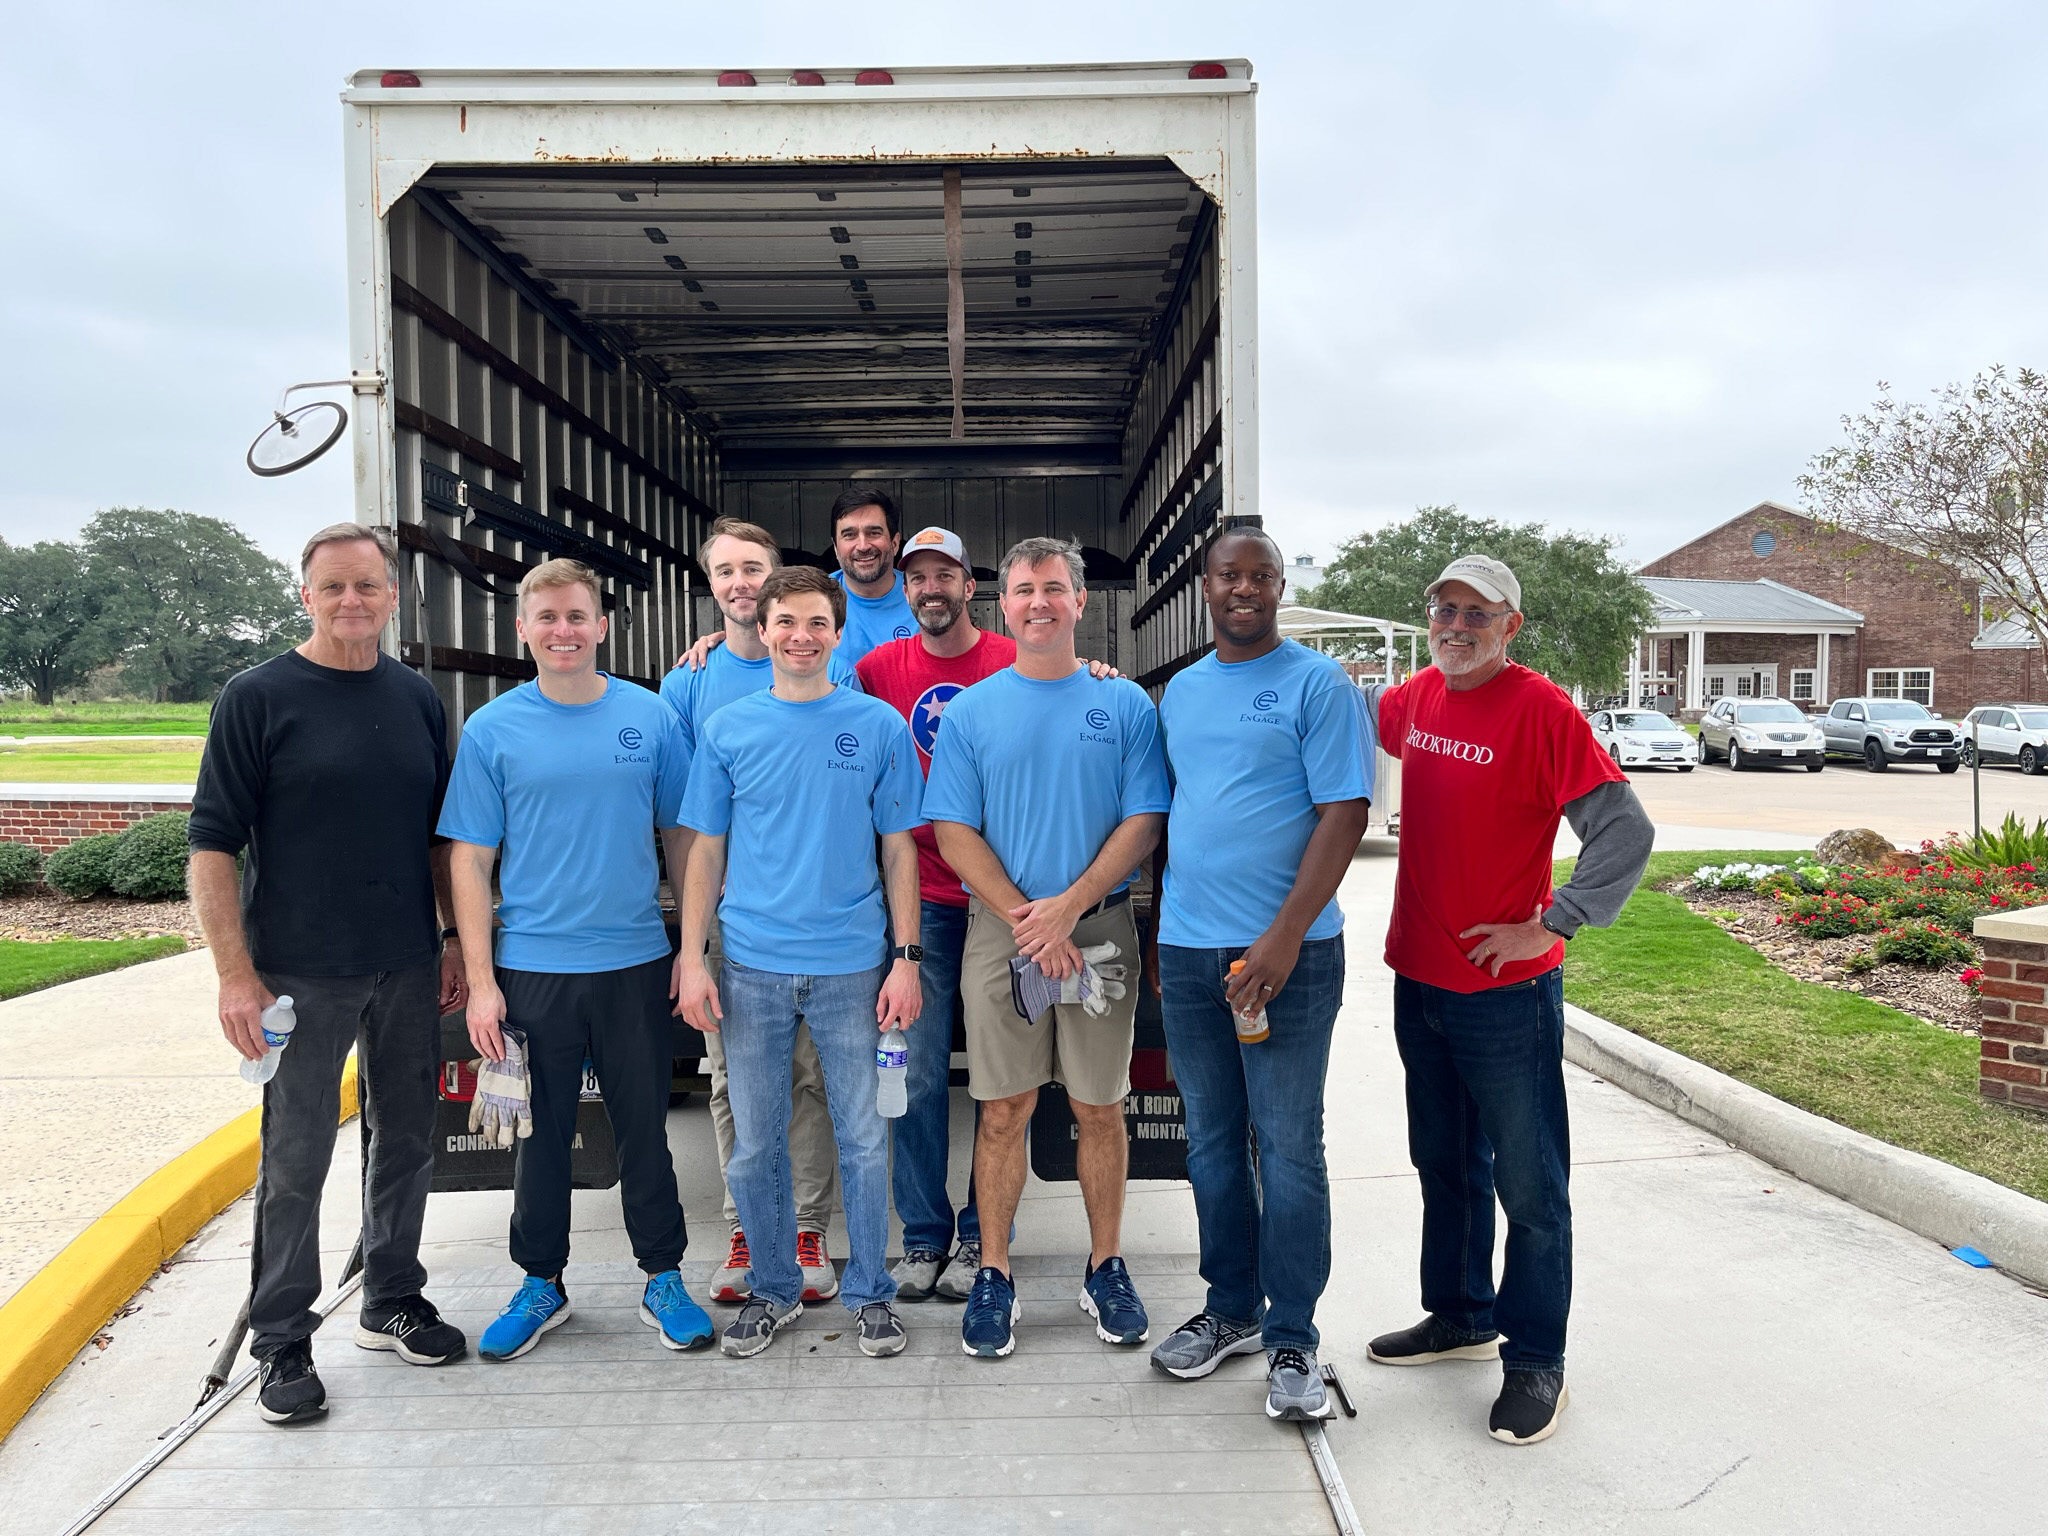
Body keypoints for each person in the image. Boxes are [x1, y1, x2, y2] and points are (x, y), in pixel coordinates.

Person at [1362, 554, 1652, 1447]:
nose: (1455, 625)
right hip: (1422, 980)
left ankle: (1535, 1360)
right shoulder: (1413, 701)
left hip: (1505, 996)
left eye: (1475, 613)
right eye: (1443, 609)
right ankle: (1459, 1316)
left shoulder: (1542, 711)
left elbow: (1625, 829)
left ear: (1510, 626)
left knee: (1530, 1185)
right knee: (1446, 1164)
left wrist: (1555, 922)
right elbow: (1332, 720)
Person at [189, 522, 469, 1425]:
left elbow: (437, 839)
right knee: (297, 1159)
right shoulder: (257, 697)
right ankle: (280, 1341)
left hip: (406, 962)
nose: (353, 602)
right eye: (334, 587)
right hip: (299, 975)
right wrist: (237, 976)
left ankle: (390, 1297)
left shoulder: (418, 699)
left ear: (394, 598)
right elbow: (212, 847)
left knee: (408, 1140)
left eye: (369, 588)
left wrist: (457, 940)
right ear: (305, 595)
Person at [439, 558, 712, 1362]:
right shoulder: (493, 730)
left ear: (602, 625)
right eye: (548, 617)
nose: (564, 630)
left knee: (644, 1134)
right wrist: (483, 984)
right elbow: (468, 860)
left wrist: (690, 951)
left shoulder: (652, 717)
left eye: (578, 616)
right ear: (522, 628)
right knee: (543, 1135)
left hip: (632, 962)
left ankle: (662, 1277)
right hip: (532, 971)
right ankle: (541, 1284)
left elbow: (686, 838)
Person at [924, 536, 1170, 1360]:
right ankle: (993, 1270)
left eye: (1054, 589)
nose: (1038, 602)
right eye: (1024, 589)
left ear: (1080, 601)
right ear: (1004, 602)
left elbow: (1145, 820)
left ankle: (1106, 1264)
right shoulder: (971, 712)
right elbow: (952, 829)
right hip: (1005, 935)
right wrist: (1031, 918)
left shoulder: (1126, 706)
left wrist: (1069, 909)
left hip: (1096, 931)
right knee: (1004, 1110)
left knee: (1101, 1108)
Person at [1147, 527, 1374, 1422]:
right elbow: (1177, 817)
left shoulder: (1317, 685)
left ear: (1280, 586)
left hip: (1290, 957)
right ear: (1205, 587)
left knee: (1285, 1146)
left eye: (1259, 576)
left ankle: (1294, 1340)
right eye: (1228, 576)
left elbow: (1346, 812)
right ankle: (1231, 1311)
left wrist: (1282, 939)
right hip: (1192, 952)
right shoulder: (1184, 692)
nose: (1243, 589)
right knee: (1209, 1146)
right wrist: (1166, 928)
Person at [674, 565, 926, 1359]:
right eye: (787, 622)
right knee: (755, 1142)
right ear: (764, 626)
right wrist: (692, 957)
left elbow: (900, 854)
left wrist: (906, 958)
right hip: (749, 965)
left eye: (818, 623)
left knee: (861, 1137)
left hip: (854, 966)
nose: (801, 637)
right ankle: (776, 1290)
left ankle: (871, 1297)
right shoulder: (728, 730)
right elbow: (704, 851)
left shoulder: (878, 727)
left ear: (839, 631)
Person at [660, 518, 857, 1306]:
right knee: (732, 1079)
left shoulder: (834, 673)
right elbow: (683, 826)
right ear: (711, 587)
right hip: (729, 921)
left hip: (819, 917)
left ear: (778, 584)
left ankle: (806, 1226)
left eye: (753, 570)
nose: (739, 583)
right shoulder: (687, 685)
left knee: (811, 1075)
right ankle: (748, 1225)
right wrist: (691, 937)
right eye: (725, 572)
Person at [854, 526, 1012, 1302]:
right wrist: (724, 640)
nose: (930, 589)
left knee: (996, 1074)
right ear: (904, 588)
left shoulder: (1015, 662)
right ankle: (922, 1236)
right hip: (917, 905)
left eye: (944, 574)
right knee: (911, 1076)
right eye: (917, 577)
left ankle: (985, 1229)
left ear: (969, 583)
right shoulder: (879, 669)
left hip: (1001, 898)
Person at [826, 484, 917, 662]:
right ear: (836, 548)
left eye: (873, 533)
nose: (863, 546)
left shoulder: (922, 596)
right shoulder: (814, 598)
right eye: (849, 535)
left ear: (895, 542)